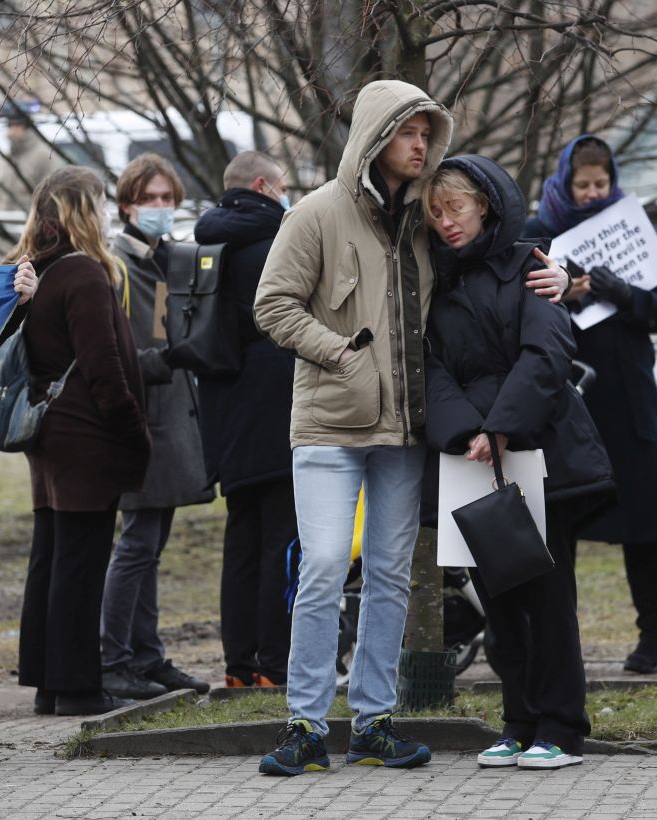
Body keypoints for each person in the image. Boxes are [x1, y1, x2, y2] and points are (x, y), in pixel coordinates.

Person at [254, 80, 568, 777]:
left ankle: (372, 724)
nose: (421, 145)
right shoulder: (314, 215)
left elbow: (498, 252)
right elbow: (272, 306)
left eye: (428, 133)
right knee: (327, 566)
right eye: (408, 132)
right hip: (330, 426)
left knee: (392, 574)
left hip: (404, 432)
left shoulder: (424, 221)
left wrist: (568, 278)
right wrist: (340, 352)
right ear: (375, 134)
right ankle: (304, 725)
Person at [423, 156, 613, 769]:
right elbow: (430, 370)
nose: (446, 222)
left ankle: (560, 726)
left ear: (485, 203)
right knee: (498, 598)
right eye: (435, 211)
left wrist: (502, 427)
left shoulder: (532, 265)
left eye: (456, 207)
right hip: (473, 457)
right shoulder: (436, 282)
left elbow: (547, 351)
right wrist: (467, 434)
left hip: (541, 451)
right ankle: (519, 720)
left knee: (548, 596)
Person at [523, 134, 657, 674]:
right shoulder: (541, 235)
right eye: (582, 184)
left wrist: (620, 291)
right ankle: (563, 645)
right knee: (564, 527)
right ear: (565, 182)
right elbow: (522, 308)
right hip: (568, 401)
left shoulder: (631, 229)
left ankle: (650, 639)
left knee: (641, 524)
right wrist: (569, 292)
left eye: (601, 184)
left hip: (629, 396)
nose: (592, 194)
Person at [11, 166, 151, 715]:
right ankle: (79, 689)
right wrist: (133, 432)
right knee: (81, 563)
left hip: (48, 437)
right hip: (87, 438)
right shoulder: (85, 275)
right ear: (82, 210)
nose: (109, 213)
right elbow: (105, 369)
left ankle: (50, 683)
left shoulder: (34, 272)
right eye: (101, 202)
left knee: (51, 556)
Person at [99, 154, 213, 701]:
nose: (162, 209)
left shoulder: (168, 260)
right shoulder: (117, 263)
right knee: (137, 543)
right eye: (151, 200)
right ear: (127, 205)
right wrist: (169, 358)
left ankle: (145, 656)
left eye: (169, 199)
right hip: (141, 420)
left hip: (171, 415)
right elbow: (118, 354)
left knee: (149, 544)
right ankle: (113, 658)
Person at [194, 150, 296, 688]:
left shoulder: (207, 243)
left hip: (226, 410)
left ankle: (238, 667)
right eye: (282, 186)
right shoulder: (276, 242)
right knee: (283, 540)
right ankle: (274, 667)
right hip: (277, 407)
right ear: (262, 185)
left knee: (241, 541)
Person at [0, 103, 66, 213]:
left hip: (30, 224)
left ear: (27, 127)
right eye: (10, 125)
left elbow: (52, 194)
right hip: (2, 224)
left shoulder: (44, 156)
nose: (13, 130)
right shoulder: (4, 160)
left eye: (17, 125)